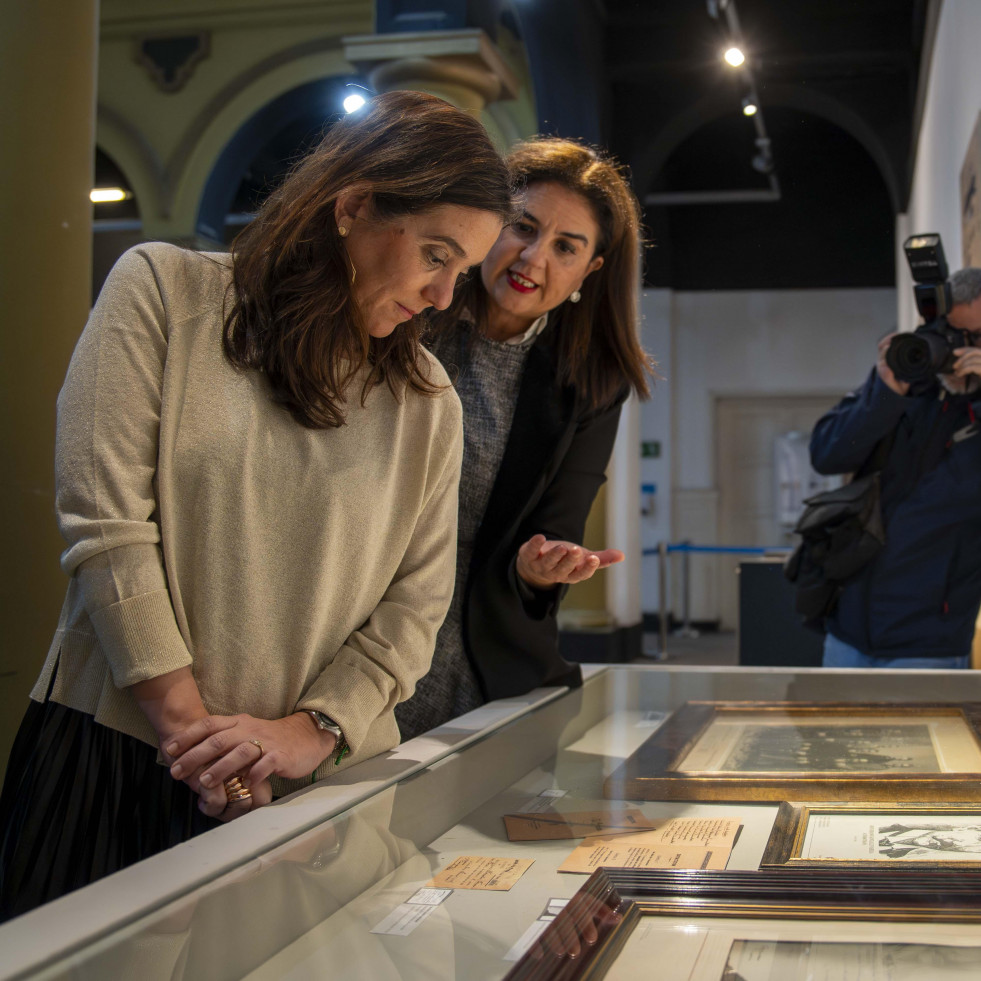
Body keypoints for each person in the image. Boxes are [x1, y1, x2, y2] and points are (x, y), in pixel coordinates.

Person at [0, 89, 513, 920]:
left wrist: (307, 734)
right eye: (434, 254)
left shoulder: (427, 402)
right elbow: (105, 525)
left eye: (460, 271)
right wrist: (193, 735)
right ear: (352, 206)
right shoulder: (164, 292)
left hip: (312, 785)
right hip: (120, 755)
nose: (443, 295)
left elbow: (414, 608)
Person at [396, 137, 652, 741]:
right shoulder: (406, 312)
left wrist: (543, 567)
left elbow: (556, 527)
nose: (533, 258)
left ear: (591, 270)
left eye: (565, 246)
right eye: (522, 226)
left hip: (482, 644)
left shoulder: (593, 381)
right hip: (359, 620)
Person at [810, 266, 981, 669]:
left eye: (976, 338)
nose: (959, 349)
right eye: (952, 333)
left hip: (928, 644)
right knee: (835, 734)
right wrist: (885, 393)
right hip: (850, 631)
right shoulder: (907, 391)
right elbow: (827, 454)